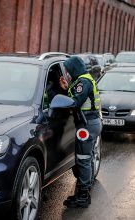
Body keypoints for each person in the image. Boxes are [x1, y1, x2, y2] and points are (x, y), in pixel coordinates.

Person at [60, 56, 102, 208]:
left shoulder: (83, 82)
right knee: (87, 157)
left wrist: (66, 91)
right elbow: (77, 98)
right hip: (90, 122)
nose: (67, 74)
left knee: (83, 159)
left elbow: (75, 102)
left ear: (74, 69)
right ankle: (83, 191)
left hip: (87, 124)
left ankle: (83, 196)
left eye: (68, 70)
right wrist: (67, 88)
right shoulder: (84, 79)